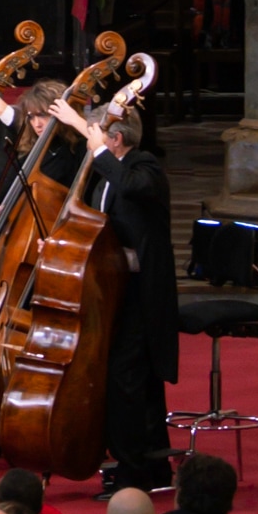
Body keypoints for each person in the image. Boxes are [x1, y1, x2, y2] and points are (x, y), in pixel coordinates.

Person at [91, 116, 178, 485]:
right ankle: (147, 465)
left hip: (144, 295)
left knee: (128, 380)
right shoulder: (105, 172)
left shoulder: (146, 166)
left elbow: (133, 186)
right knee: (132, 382)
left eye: (97, 136)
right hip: (116, 290)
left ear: (117, 138)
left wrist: (97, 150)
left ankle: (136, 470)